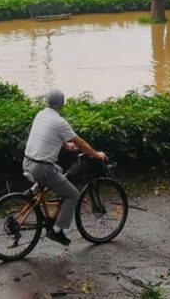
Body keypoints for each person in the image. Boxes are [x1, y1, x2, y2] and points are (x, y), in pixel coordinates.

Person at [23, 87, 108, 246]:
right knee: (73, 195)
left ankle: (33, 191)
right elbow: (80, 142)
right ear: (62, 104)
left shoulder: (41, 114)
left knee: (60, 171)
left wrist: (65, 145)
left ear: (47, 102)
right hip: (43, 169)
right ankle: (56, 231)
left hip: (28, 163)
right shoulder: (59, 121)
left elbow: (52, 134)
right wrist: (96, 155)